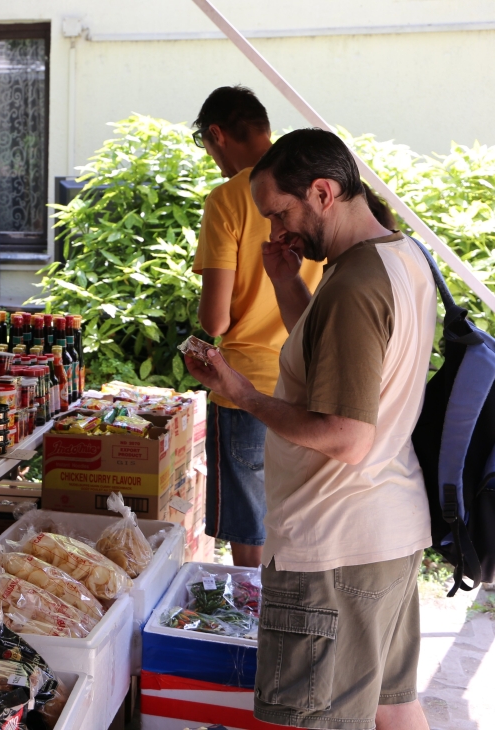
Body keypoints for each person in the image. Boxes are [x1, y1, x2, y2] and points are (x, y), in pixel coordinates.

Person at [185, 128, 433, 730]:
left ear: (323, 192)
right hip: (385, 531)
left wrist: (243, 394)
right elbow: (328, 356)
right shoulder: (396, 255)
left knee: (312, 719)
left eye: (281, 213)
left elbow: (347, 436)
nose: (278, 231)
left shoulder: (354, 285)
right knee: (392, 705)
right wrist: (285, 282)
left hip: (334, 547)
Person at [190, 86, 322, 568]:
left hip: (245, 388)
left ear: (217, 134)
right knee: (299, 523)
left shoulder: (228, 198)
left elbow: (215, 320)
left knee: (250, 541)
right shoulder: (311, 190)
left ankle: (255, 617)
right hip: (308, 384)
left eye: (208, 148)